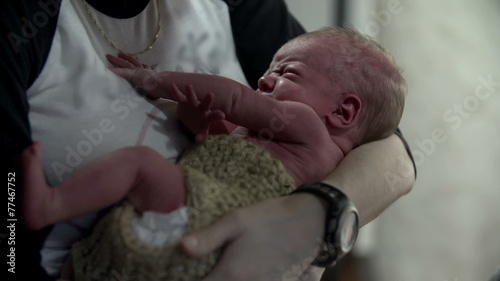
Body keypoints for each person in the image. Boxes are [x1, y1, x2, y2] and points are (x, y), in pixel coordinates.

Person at [0, 1, 415, 280]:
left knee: (141, 165)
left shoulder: (305, 125)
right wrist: (205, 123)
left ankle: (51, 204)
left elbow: (233, 97)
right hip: (185, 238)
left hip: (203, 218)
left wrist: (157, 81)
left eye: (286, 74)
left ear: (343, 113)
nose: (264, 80)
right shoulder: (24, 23)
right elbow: (220, 141)